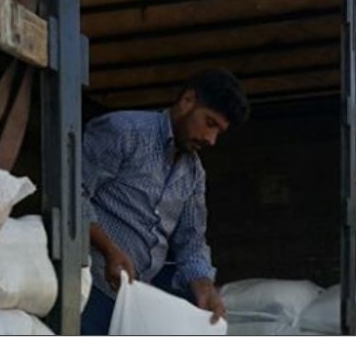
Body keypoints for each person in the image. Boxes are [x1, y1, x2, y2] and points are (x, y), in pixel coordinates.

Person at [80, 69, 250, 334]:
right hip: (86, 285)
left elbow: (191, 242)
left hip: (136, 300)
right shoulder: (122, 131)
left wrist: (205, 288)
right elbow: (71, 193)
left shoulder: (194, 174)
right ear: (188, 100)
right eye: (210, 123)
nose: (211, 139)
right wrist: (108, 248)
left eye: (219, 132)